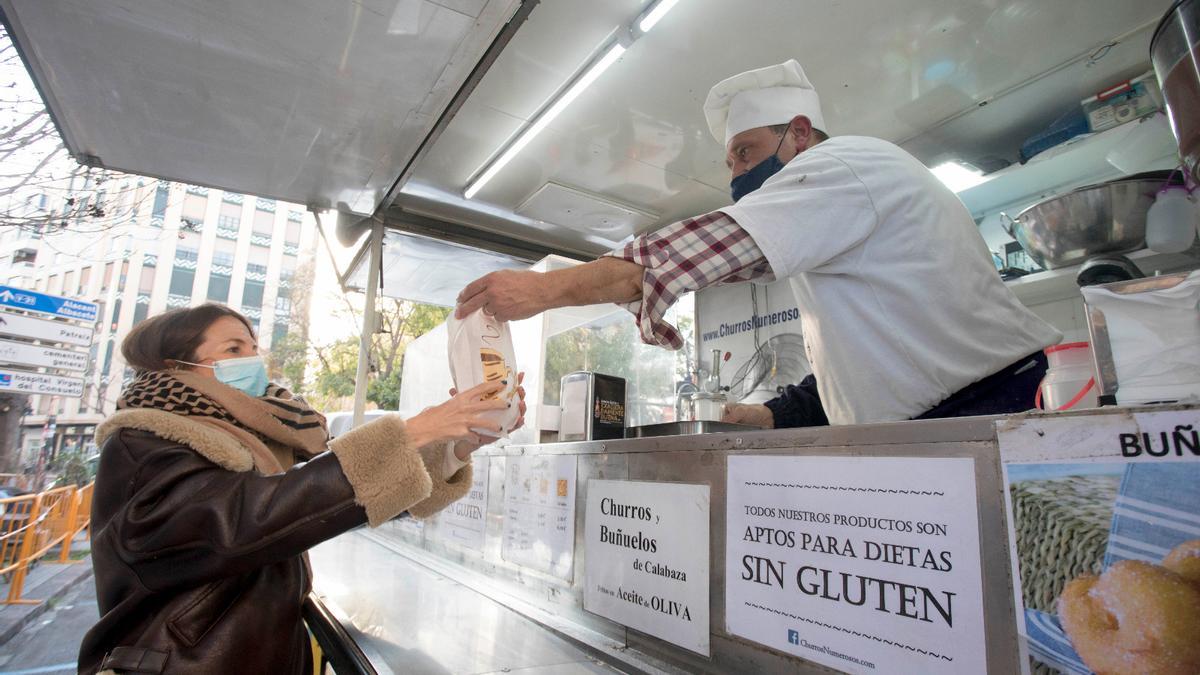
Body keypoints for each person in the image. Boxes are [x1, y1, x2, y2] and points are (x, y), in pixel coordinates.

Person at [455, 59, 1060, 428]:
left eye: (744, 152)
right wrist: (775, 413)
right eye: (729, 161)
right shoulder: (833, 224)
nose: (736, 175)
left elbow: (688, 252)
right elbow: (867, 361)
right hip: (943, 416)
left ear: (799, 135)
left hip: (981, 410)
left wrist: (544, 288)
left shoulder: (846, 164)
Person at [78, 303, 526, 674]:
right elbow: (238, 524)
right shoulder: (142, 441)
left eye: (253, 347)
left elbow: (344, 490)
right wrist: (410, 433)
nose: (252, 359)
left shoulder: (259, 436)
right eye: (233, 348)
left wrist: (456, 445)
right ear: (176, 365)